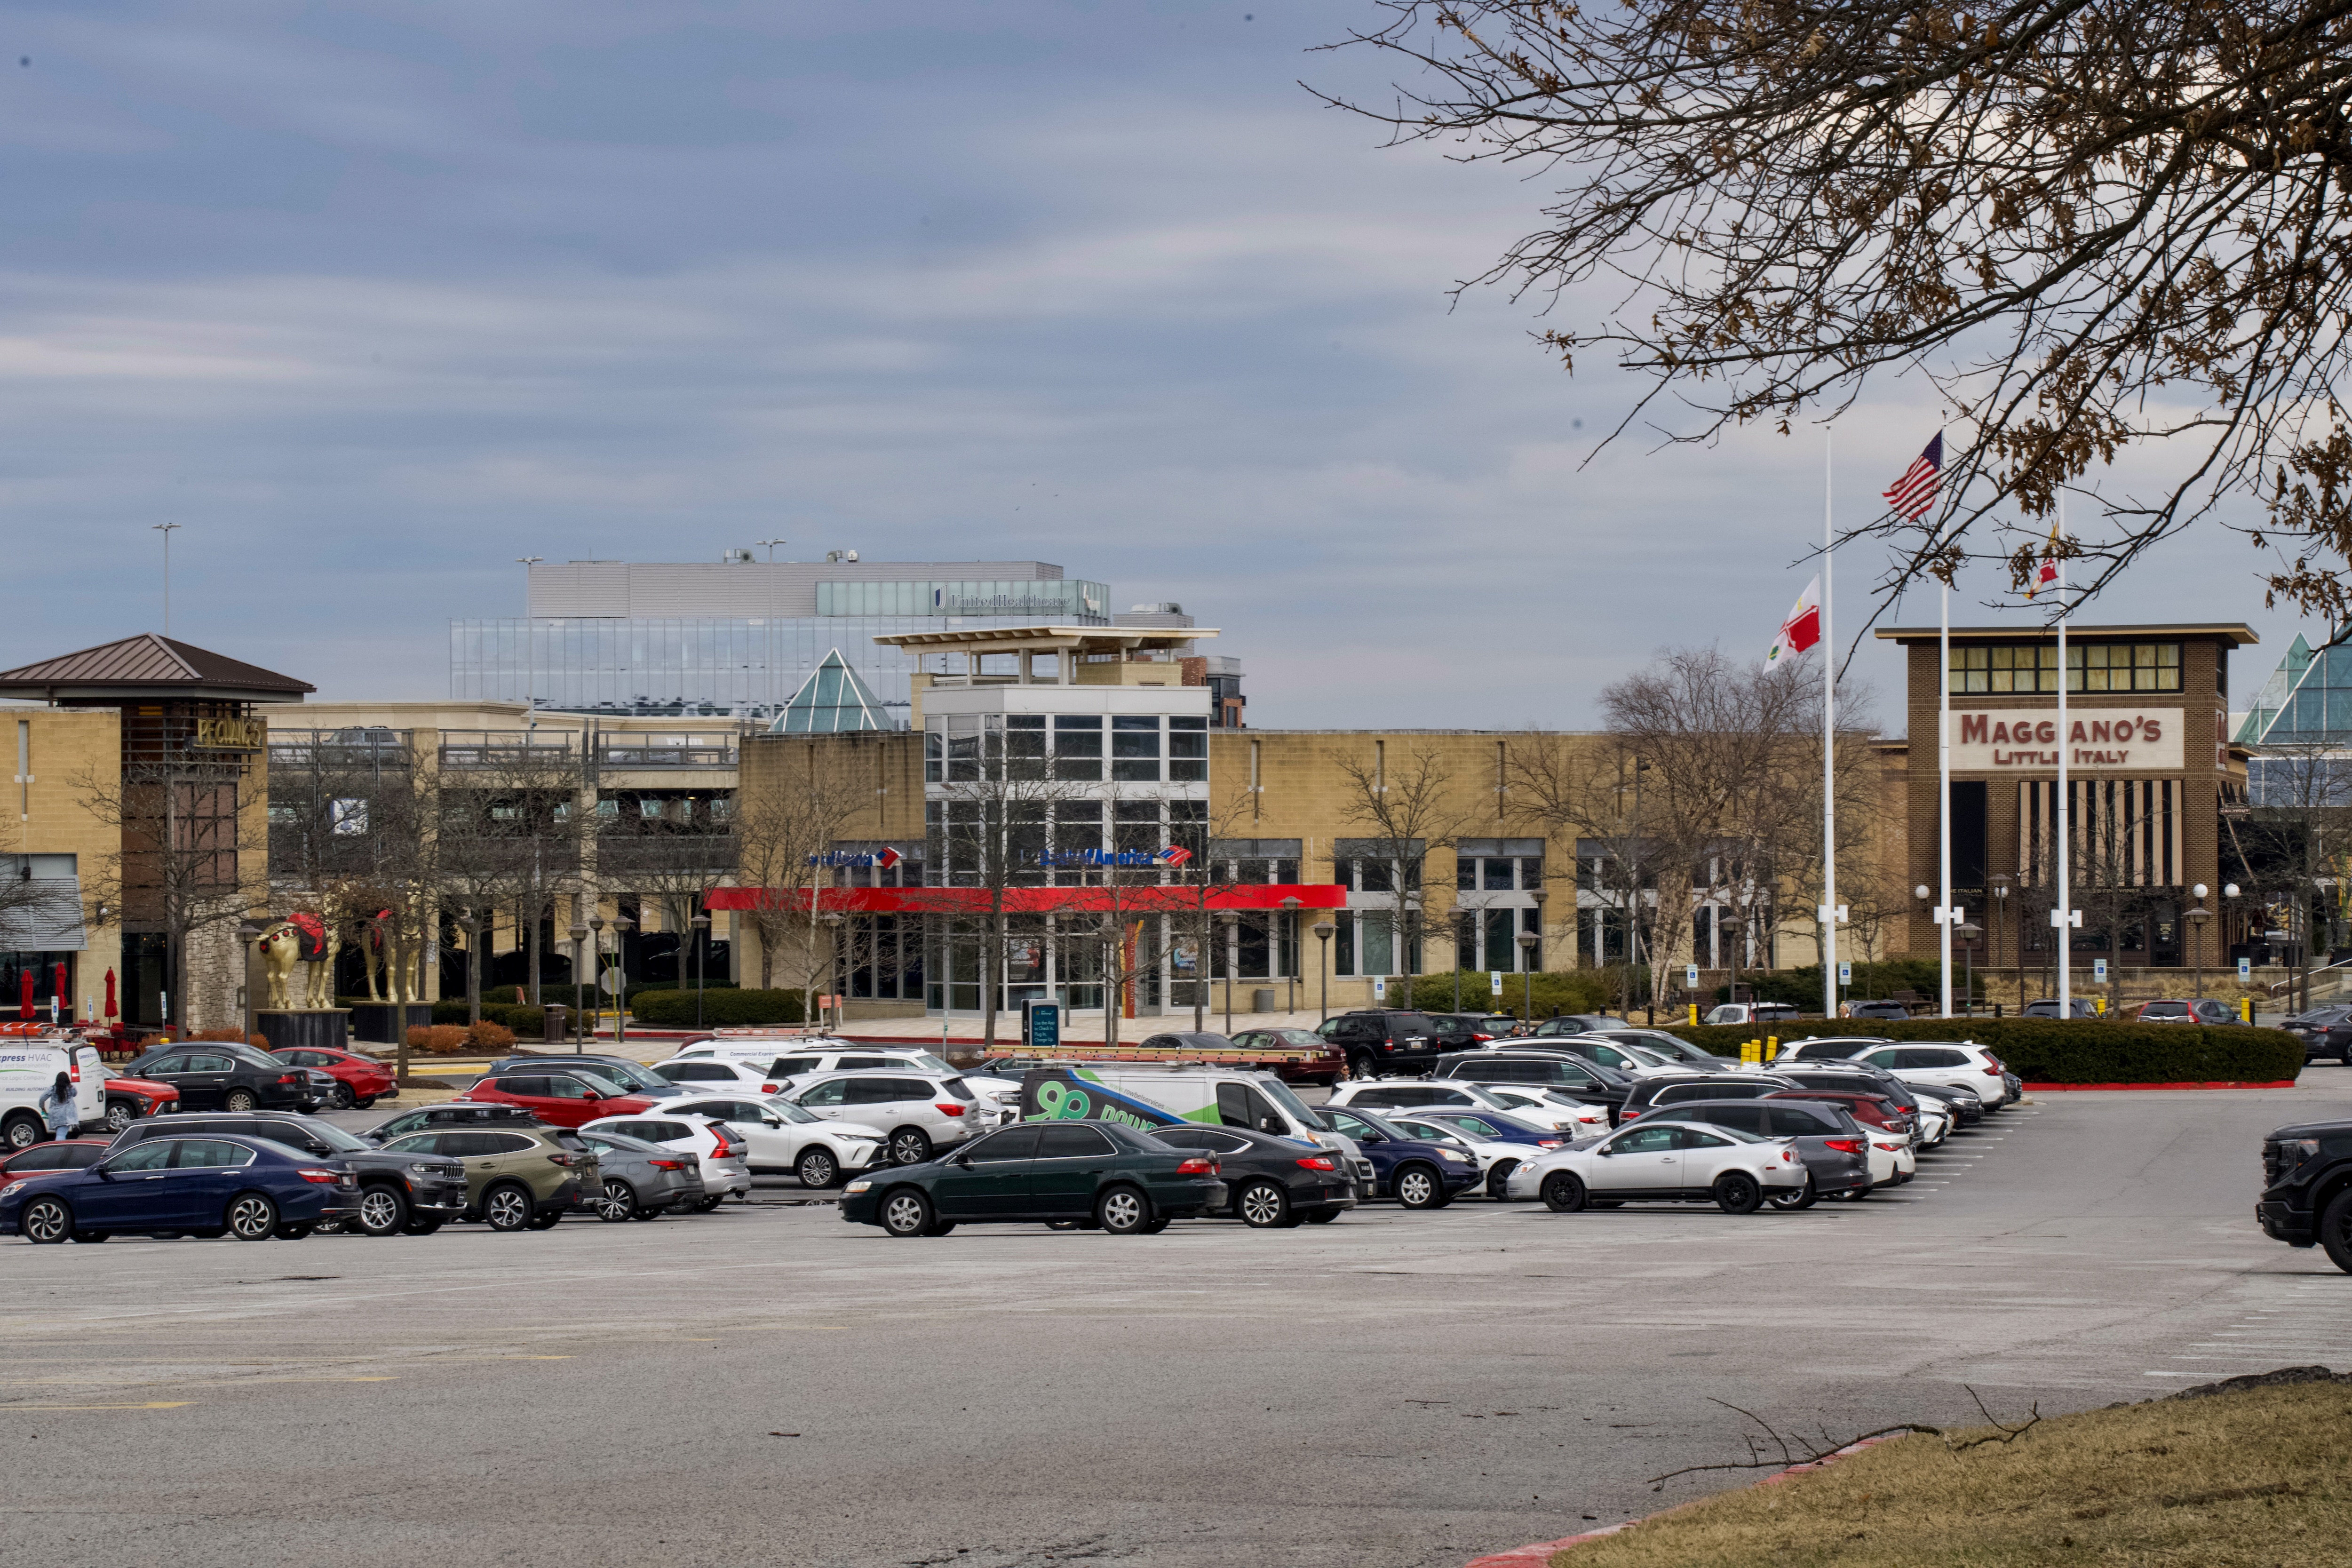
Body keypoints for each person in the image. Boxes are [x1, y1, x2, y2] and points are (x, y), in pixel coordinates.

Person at [40, 1071, 77, 1143]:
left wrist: (43, 1108)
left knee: (60, 1133)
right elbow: (75, 1094)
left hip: (55, 1115)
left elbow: (42, 1099)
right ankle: (59, 1149)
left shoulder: (52, 1089)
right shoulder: (71, 1088)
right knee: (61, 1135)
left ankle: (61, 1147)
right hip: (67, 1115)